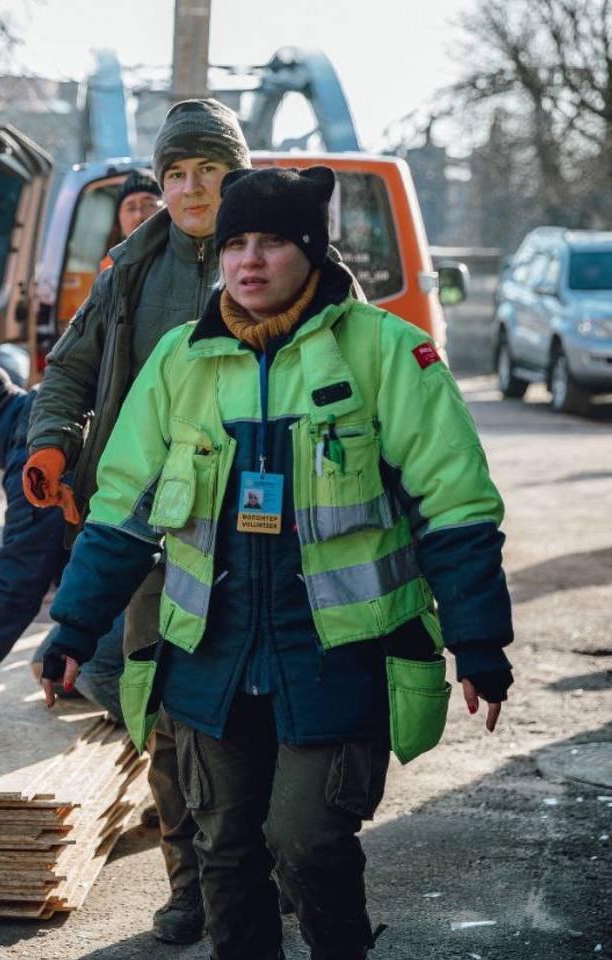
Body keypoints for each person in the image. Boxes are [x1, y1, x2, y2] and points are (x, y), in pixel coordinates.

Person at [39, 166, 515, 960]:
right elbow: (121, 509)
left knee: (305, 840)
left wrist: (479, 637)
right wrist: (73, 628)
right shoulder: (180, 361)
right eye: (235, 245)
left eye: (271, 243)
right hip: (213, 656)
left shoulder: (387, 352)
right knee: (224, 852)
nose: (249, 261)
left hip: (338, 655)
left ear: (311, 250)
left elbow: (456, 504)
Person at [23, 98, 252, 945]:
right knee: (162, 709)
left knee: (255, 710)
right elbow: (68, 368)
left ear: (238, 174)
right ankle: (190, 886)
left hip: (255, 533)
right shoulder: (131, 266)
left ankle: (261, 870)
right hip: (147, 528)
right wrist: (52, 443)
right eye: (177, 173)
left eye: (210, 170)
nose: (193, 189)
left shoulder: (286, 258)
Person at [0, 362, 123, 717]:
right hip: (116, 573)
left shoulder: (34, 458)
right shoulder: (33, 418)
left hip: (140, 578)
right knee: (51, 671)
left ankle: (184, 727)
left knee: (93, 673)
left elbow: (20, 578)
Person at [98, 170, 163, 272]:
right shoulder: (108, 267)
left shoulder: (184, 254)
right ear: (119, 220)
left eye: (148, 205)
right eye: (131, 208)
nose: (139, 216)